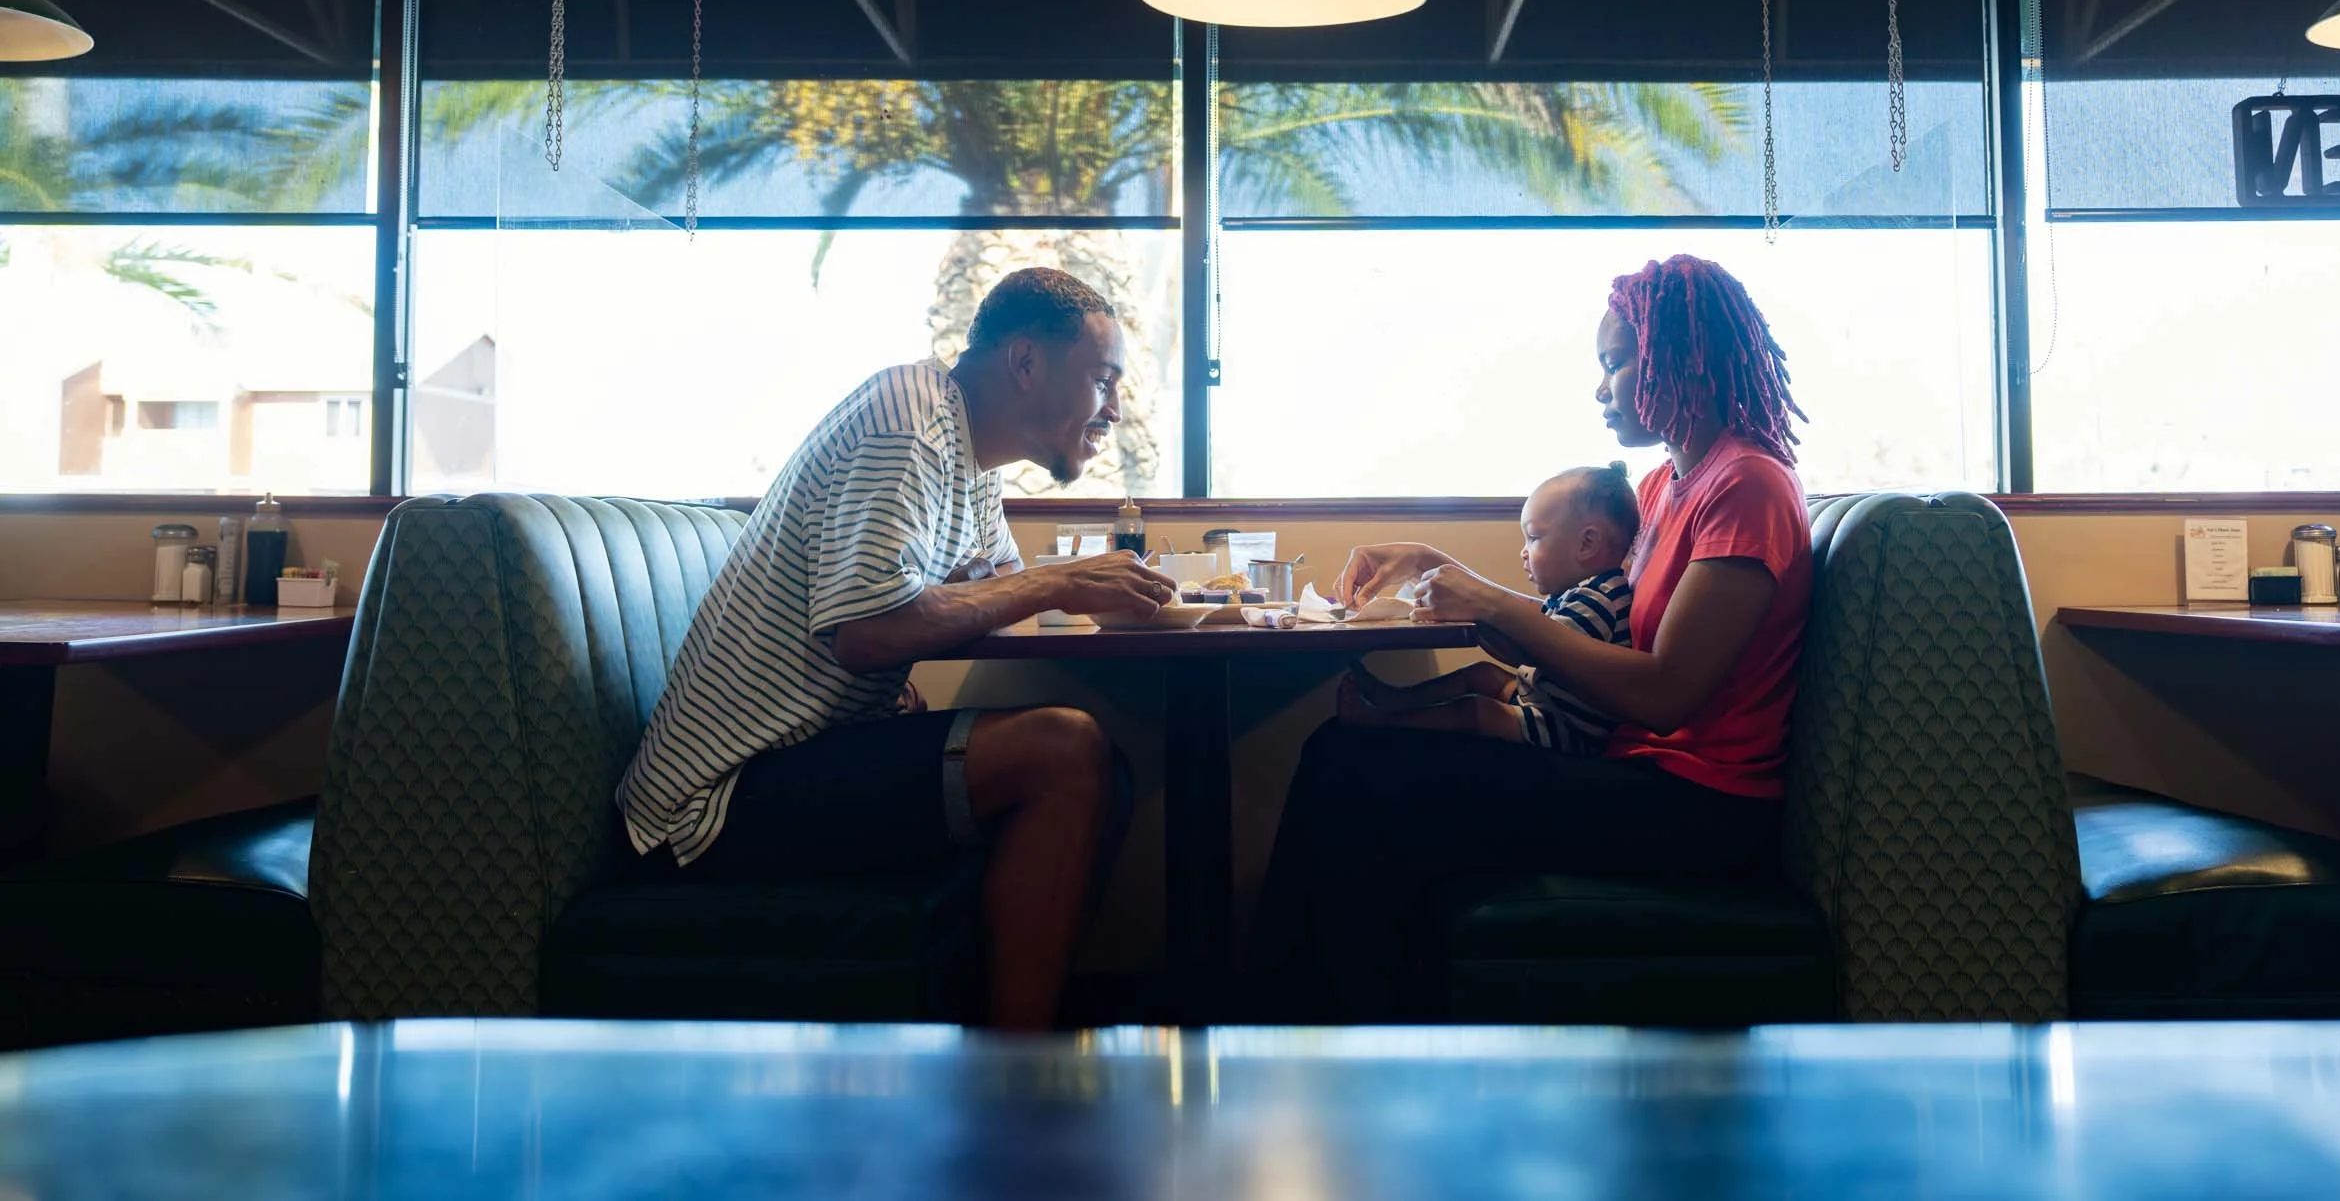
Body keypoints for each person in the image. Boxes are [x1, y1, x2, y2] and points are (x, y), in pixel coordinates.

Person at [1248, 254, 1815, 1020]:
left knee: (1359, 778)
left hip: (1699, 805)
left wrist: (1493, 602)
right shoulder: (1663, 486)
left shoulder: (1748, 485)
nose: (1601, 385)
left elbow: (1665, 693)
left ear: (1683, 358)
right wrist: (1436, 566)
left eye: (1615, 362)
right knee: (1337, 753)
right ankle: (1297, 1029)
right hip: (1632, 768)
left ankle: (1312, 1038)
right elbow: (1580, 634)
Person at [614, 267, 1176, 1029]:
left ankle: (1005, 1043)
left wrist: (1098, 592)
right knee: (1065, 750)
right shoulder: (905, 421)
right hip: (715, 801)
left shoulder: (968, 454)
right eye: (1103, 380)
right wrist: (1058, 581)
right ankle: (1016, 1081)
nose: (1115, 408)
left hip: (799, 758)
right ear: (1024, 364)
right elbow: (869, 633)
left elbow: (995, 594)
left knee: (1103, 766)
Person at [1336, 463, 1638, 751]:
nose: (1523, 552)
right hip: (1549, 704)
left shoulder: (1596, 600)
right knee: (1481, 674)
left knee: (1478, 711)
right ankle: (1393, 699)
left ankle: (1382, 719)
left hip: (1568, 730)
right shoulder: (1582, 590)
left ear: (1587, 544)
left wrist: (1478, 612)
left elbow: (1537, 653)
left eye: (1533, 538)